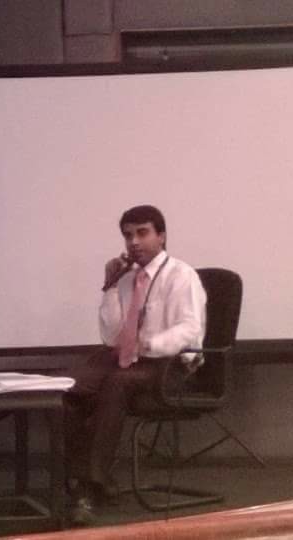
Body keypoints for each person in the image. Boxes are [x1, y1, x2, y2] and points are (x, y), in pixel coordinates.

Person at [64, 205, 207, 524]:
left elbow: (190, 330)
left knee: (116, 383)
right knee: (69, 388)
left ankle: (89, 487)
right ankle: (87, 477)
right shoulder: (127, 279)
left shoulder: (181, 275)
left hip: (170, 365)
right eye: (128, 235)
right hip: (130, 360)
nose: (134, 242)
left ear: (162, 236)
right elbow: (111, 335)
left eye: (142, 233)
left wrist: (149, 344)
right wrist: (110, 286)